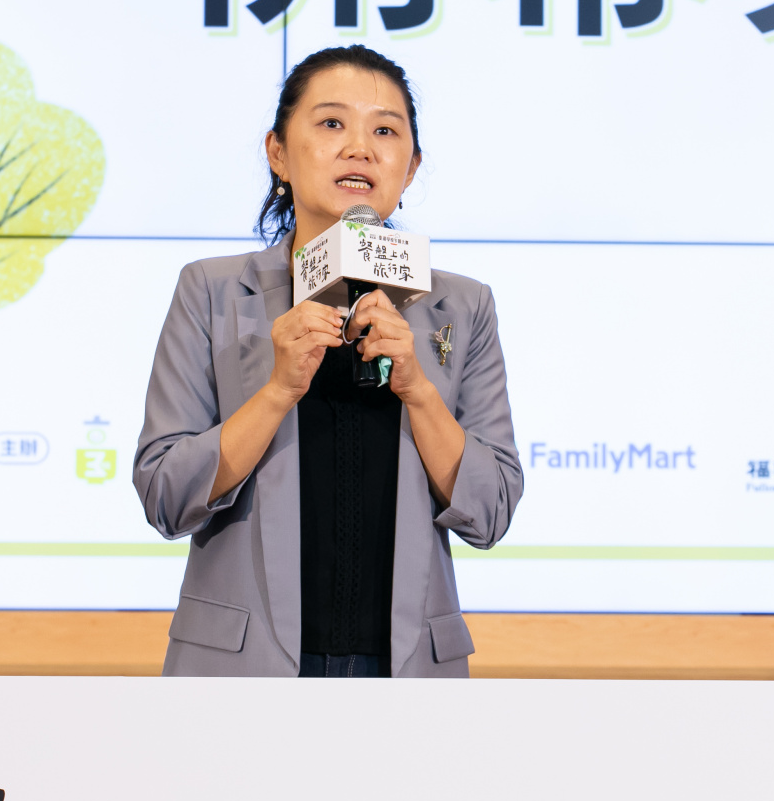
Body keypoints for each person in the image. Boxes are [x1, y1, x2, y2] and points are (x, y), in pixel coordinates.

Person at [134, 45, 523, 677]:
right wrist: (276, 391)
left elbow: (492, 510)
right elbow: (165, 494)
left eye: (385, 131)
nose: (360, 148)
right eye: (332, 123)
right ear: (278, 154)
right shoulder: (211, 291)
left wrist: (420, 391)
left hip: (407, 676)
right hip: (242, 673)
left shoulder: (461, 305)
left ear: (411, 167)